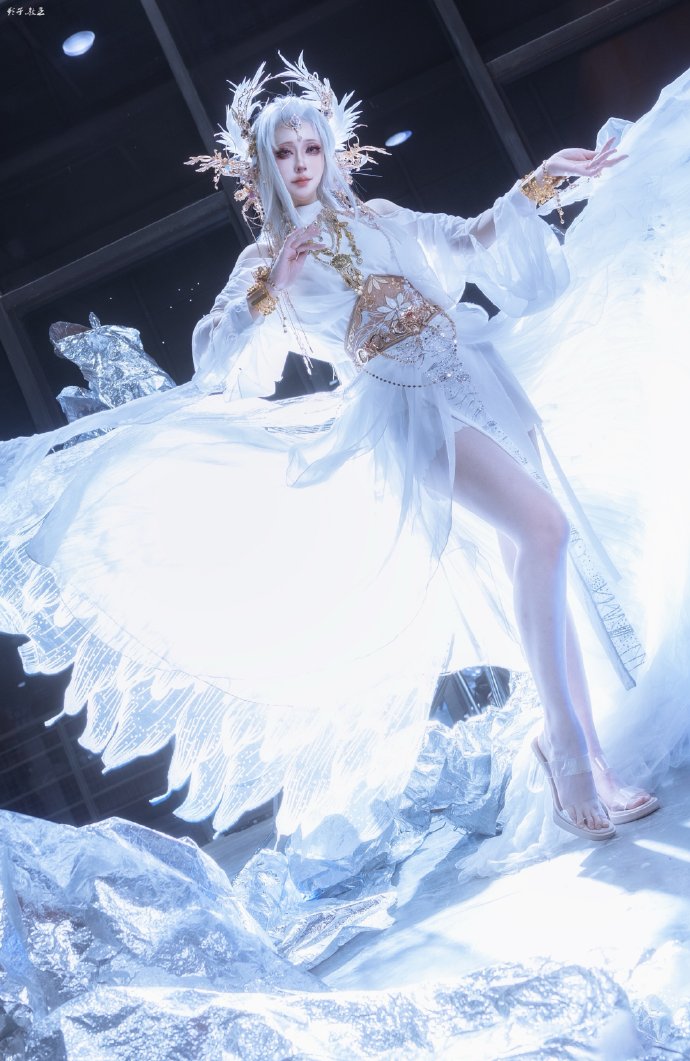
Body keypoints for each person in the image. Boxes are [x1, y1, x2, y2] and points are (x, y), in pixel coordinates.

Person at [3, 56, 687, 860]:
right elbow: (217, 363)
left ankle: (586, 755)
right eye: (284, 152)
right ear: (263, 165)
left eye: (311, 147)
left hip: (479, 378)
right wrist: (268, 292)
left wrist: (539, 183)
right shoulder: (266, 260)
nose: (300, 163)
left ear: (330, 151)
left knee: (531, 555)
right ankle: (567, 751)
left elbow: (464, 241)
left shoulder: (379, 216)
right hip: (404, 411)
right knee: (545, 530)